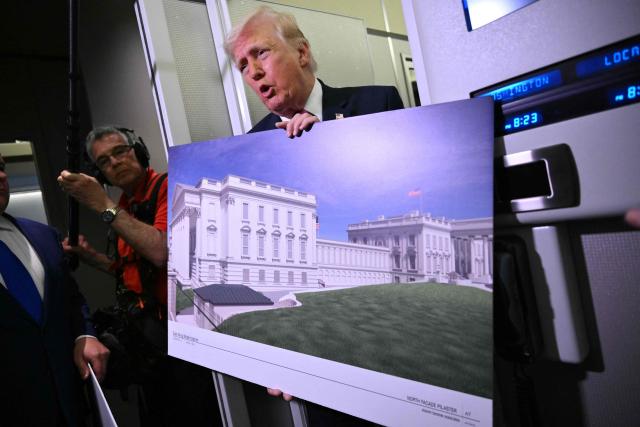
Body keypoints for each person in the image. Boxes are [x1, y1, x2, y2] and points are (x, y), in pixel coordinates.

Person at [58, 126, 221, 426]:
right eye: (105, 161)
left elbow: (161, 251)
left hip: (185, 344)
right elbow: (133, 270)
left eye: (120, 151)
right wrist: (92, 258)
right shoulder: (124, 207)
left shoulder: (170, 187)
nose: (115, 163)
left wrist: (102, 205)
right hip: (151, 344)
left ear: (139, 151)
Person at [0, 152, 110, 426]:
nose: (2, 176)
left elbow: (71, 299)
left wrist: (84, 334)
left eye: (1, 168)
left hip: (70, 405)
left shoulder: (45, 236)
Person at [224, 5, 404, 138]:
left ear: (301, 53)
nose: (253, 72)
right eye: (243, 66)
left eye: (261, 53)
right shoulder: (253, 143)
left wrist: (327, 139)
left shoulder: (379, 104)